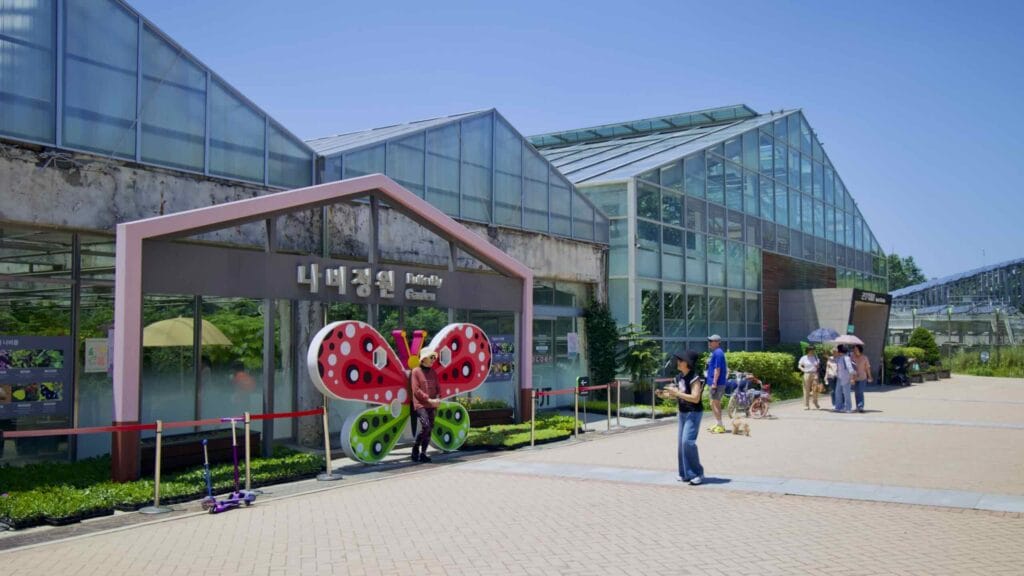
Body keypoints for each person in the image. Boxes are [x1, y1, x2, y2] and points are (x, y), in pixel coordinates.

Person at [657, 350, 705, 485]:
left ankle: (697, 473)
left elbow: (695, 398)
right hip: (683, 413)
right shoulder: (679, 377)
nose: (677, 362)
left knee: (687, 442)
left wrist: (677, 392)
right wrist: (663, 394)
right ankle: (685, 473)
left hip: (693, 413)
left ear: (687, 363)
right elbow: (676, 395)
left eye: (680, 360)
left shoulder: (694, 378)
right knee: (681, 444)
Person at [410, 346, 440, 463]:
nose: (433, 359)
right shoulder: (416, 371)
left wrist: (438, 398)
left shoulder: (433, 372)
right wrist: (429, 400)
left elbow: (438, 387)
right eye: (431, 357)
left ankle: (423, 453)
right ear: (423, 359)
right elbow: (416, 390)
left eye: (434, 357)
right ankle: (416, 447)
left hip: (431, 405)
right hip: (420, 405)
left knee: (429, 428)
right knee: (426, 426)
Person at [705, 335, 728, 434]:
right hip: (715, 382)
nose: (709, 342)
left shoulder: (718, 353)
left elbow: (717, 369)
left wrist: (714, 383)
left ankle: (720, 425)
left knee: (714, 403)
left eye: (711, 341)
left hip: (717, 383)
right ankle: (718, 423)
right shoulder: (716, 352)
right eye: (709, 341)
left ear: (717, 342)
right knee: (714, 403)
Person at [798, 344, 821, 410]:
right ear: (808, 350)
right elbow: (799, 365)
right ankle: (806, 405)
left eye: (813, 350)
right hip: (807, 374)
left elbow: (818, 367)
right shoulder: (804, 357)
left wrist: (817, 365)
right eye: (811, 350)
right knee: (806, 390)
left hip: (814, 374)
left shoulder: (816, 357)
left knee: (815, 389)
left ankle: (815, 401)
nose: (812, 351)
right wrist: (803, 369)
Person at [834, 344, 854, 413]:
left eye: (837, 349)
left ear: (840, 350)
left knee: (846, 393)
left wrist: (851, 378)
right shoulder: (839, 358)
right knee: (838, 392)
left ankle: (848, 408)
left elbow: (850, 368)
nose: (836, 350)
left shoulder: (846, 358)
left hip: (846, 378)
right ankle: (839, 406)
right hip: (840, 377)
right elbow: (833, 360)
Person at [852, 344, 873, 413]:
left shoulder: (864, 358)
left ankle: (861, 406)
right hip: (854, 378)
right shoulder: (852, 357)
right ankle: (858, 406)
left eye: (856, 349)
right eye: (854, 349)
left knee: (860, 392)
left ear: (860, 350)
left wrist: (869, 376)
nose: (854, 351)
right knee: (856, 393)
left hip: (862, 377)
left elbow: (867, 368)